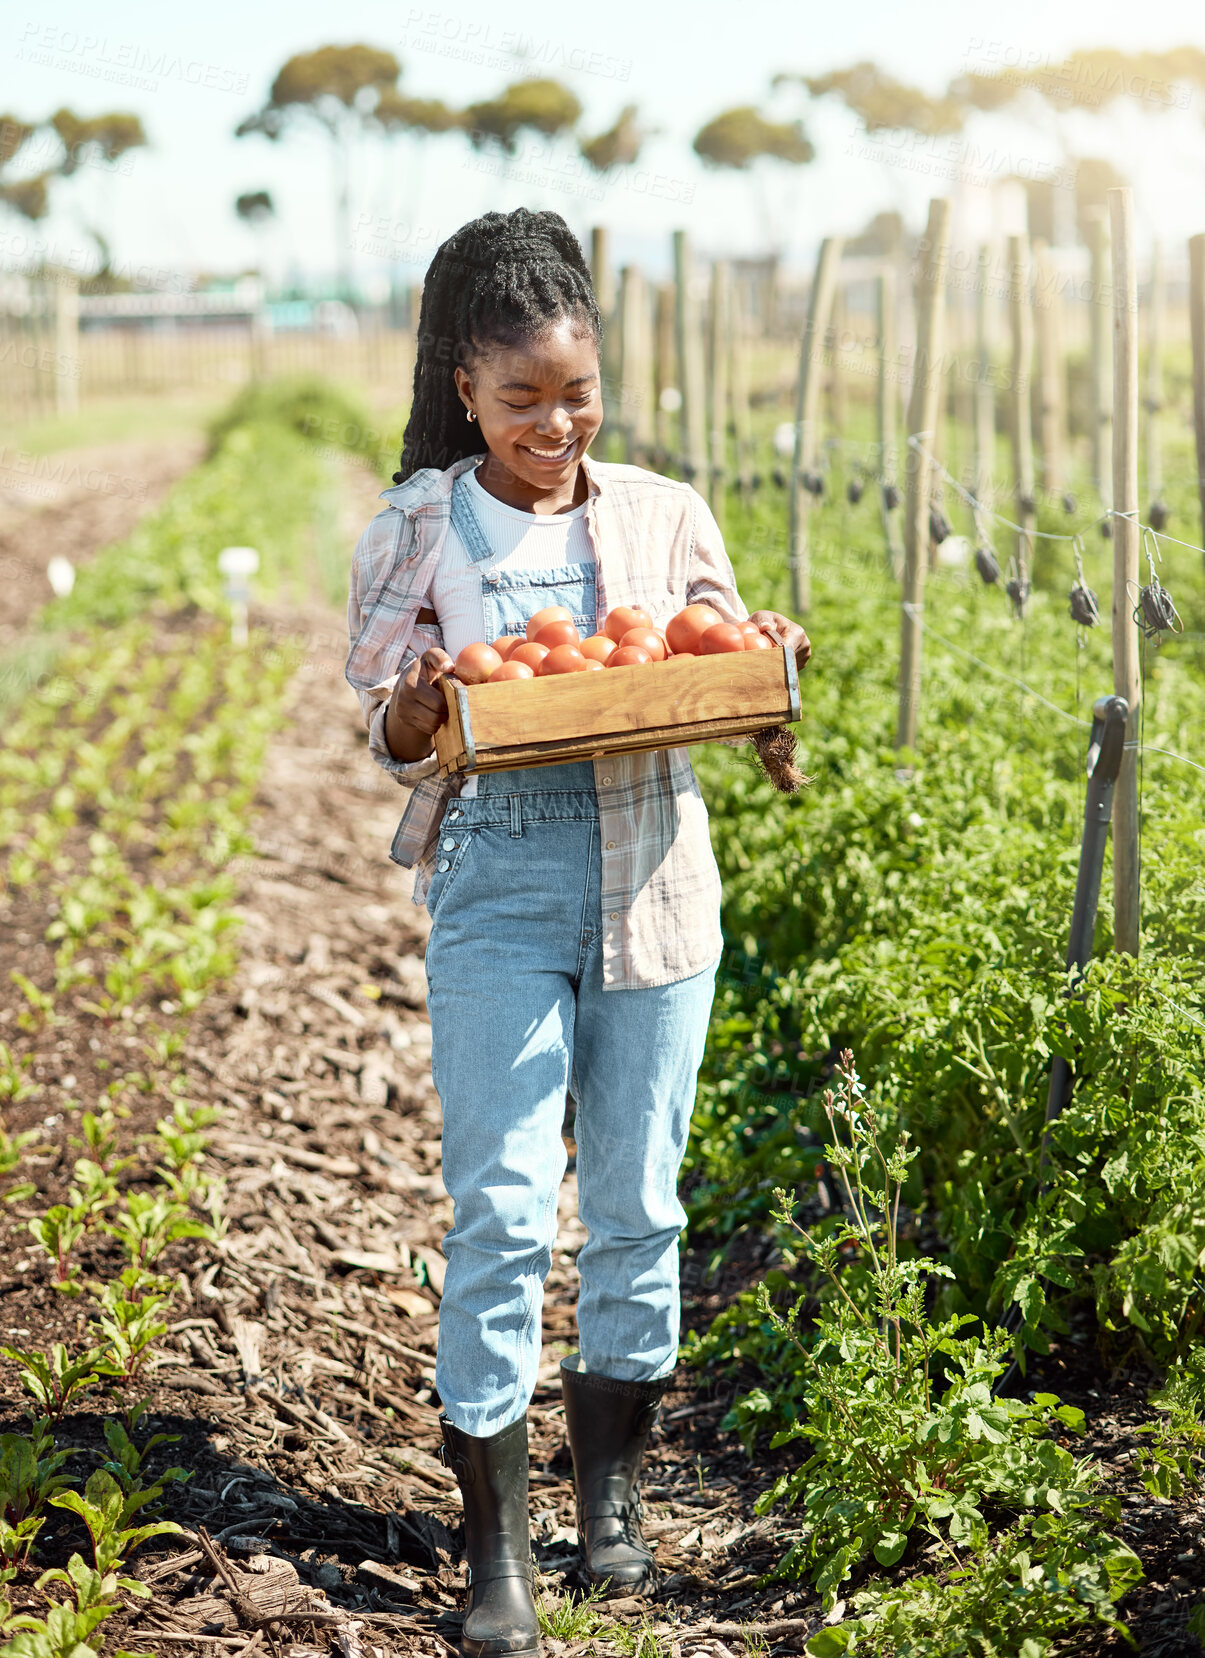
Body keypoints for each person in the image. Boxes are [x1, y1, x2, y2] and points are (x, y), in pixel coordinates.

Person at [345, 207, 810, 1658]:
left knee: (640, 1204)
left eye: (576, 391)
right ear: (465, 385)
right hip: (500, 877)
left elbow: (727, 658)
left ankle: (606, 1510)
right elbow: (385, 721)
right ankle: (495, 1553)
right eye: (522, 394)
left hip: (659, 870)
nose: (555, 421)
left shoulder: (664, 513)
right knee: (494, 1205)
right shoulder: (420, 523)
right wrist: (425, 705)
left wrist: (773, 663)